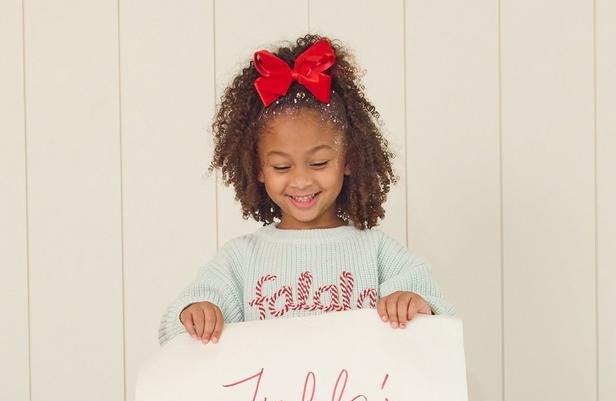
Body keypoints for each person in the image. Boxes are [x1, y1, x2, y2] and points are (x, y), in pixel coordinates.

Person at [159, 34, 455, 346]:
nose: (301, 181)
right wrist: (196, 312)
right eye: (282, 167)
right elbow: (173, 330)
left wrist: (415, 305)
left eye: (318, 163)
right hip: (269, 395)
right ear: (258, 168)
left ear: (348, 160)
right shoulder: (241, 260)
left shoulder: (376, 252)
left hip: (356, 396)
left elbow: (438, 314)